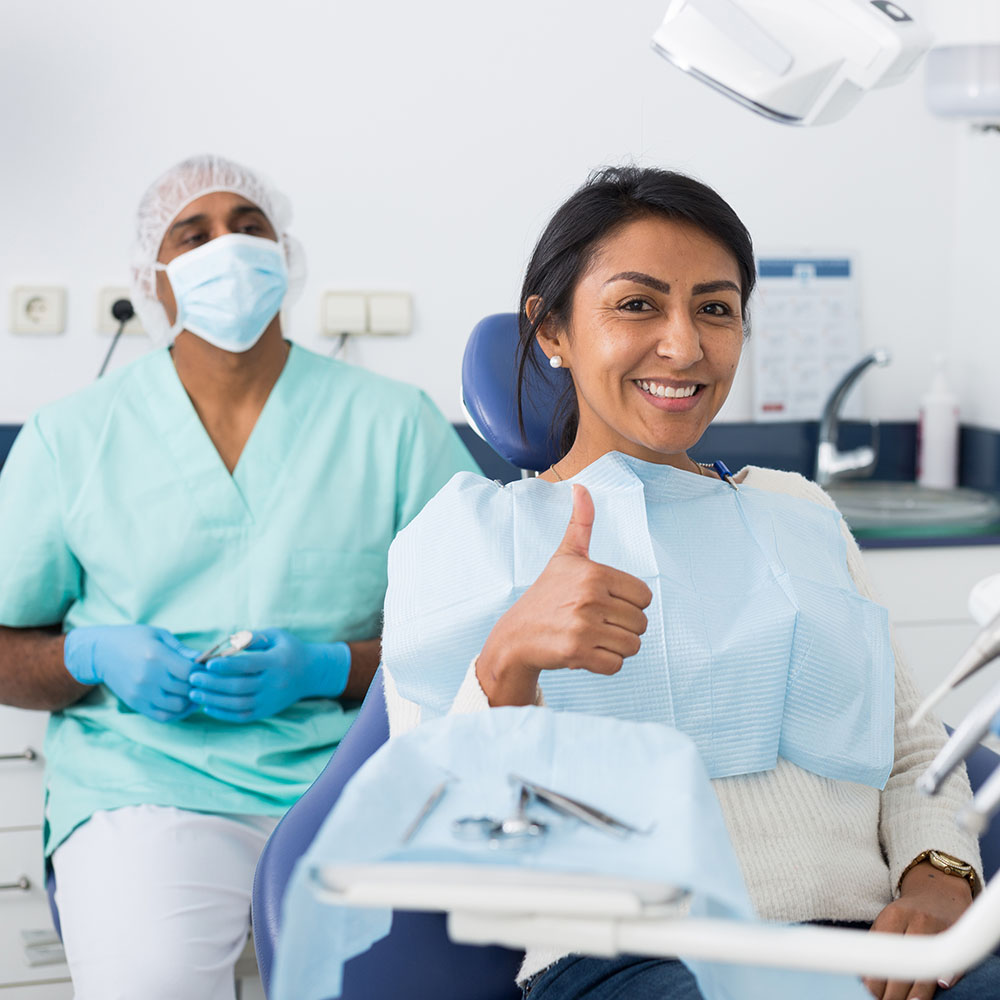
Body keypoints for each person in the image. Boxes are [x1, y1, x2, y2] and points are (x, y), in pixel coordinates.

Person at [380, 167, 1000, 1000]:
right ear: (551, 329)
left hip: (870, 951)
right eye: (638, 304)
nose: (684, 345)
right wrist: (506, 667)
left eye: (715, 308)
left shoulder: (797, 511)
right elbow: (435, 832)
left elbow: (910, 742)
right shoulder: (466, 541)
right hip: (625, 962)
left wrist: (938, 881)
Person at [0, 153, 479, 999]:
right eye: (195, 233)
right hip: (144, 782)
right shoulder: (70, 437)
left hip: (354, 772)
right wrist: (87, 658)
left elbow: (476, 639)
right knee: (152, 980)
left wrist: (331, 669)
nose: (228, 245)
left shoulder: (394, 426)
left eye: (250, 226)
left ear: (284, 253)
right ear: (156, 277)